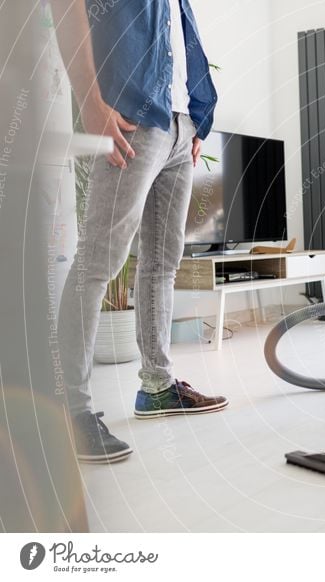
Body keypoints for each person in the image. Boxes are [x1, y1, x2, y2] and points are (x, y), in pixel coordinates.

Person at [51, 0, 228, 464]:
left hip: (179, 127)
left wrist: (193, 122)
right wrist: (91, 103)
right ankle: (69, 411)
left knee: (162, 263)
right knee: (98, 263)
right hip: (129, 119)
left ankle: (158, 386)